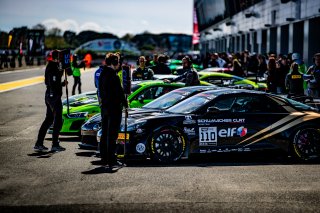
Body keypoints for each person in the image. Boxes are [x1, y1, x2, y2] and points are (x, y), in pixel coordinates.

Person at [99, 53, 128, 167]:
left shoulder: (102, 74)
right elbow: (120, 93)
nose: (119, 64)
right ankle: (112, 160)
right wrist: (126, 105)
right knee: (112, 135)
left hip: (104, 108)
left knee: (104, 134)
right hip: (114, 109)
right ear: (114, 62)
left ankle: (104, 158)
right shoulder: (114, 76)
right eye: (118, 62)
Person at [34, 50, 66, 152]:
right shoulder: (53, 67)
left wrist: (61, 84)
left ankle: (39, 143)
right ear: (57, 57)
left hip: (50, 95)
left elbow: (49, 82)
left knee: (49, 119)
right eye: (60, 57)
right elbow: (52, 82)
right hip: (53, 96)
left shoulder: (52, 66)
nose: (60, 59)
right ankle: (55, 144)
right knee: (58, 120)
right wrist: (59, 85)